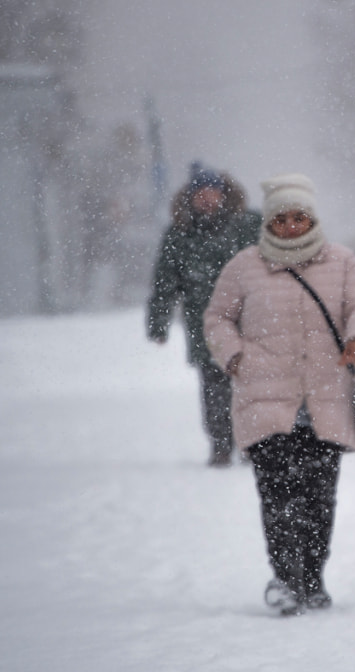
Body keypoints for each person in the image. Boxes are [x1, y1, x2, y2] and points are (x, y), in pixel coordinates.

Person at [203, 173, 355, 615]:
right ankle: (285, 579)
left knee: (320, 497)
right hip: (265, 399)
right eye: (283, 218)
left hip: (326, 397)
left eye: (300, 217)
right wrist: (235, 357)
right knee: (277, 496)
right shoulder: (244, 266)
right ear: (269, 222)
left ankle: (313, 577)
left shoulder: (342, 262)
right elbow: (217, 318)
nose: (292, 226)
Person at [147, 165, 261, 467]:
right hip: (204, 322)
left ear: (224, 195)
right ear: (191, 197)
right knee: (214, 388)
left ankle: (252, 443)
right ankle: (221, 446)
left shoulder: (249, 225)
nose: (206, 199)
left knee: (251, 384)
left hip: (250, 321)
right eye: (200, 193)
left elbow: (279, 261)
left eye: (212, 192)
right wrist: (158, 324)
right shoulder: (179, 234)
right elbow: (165, 282)